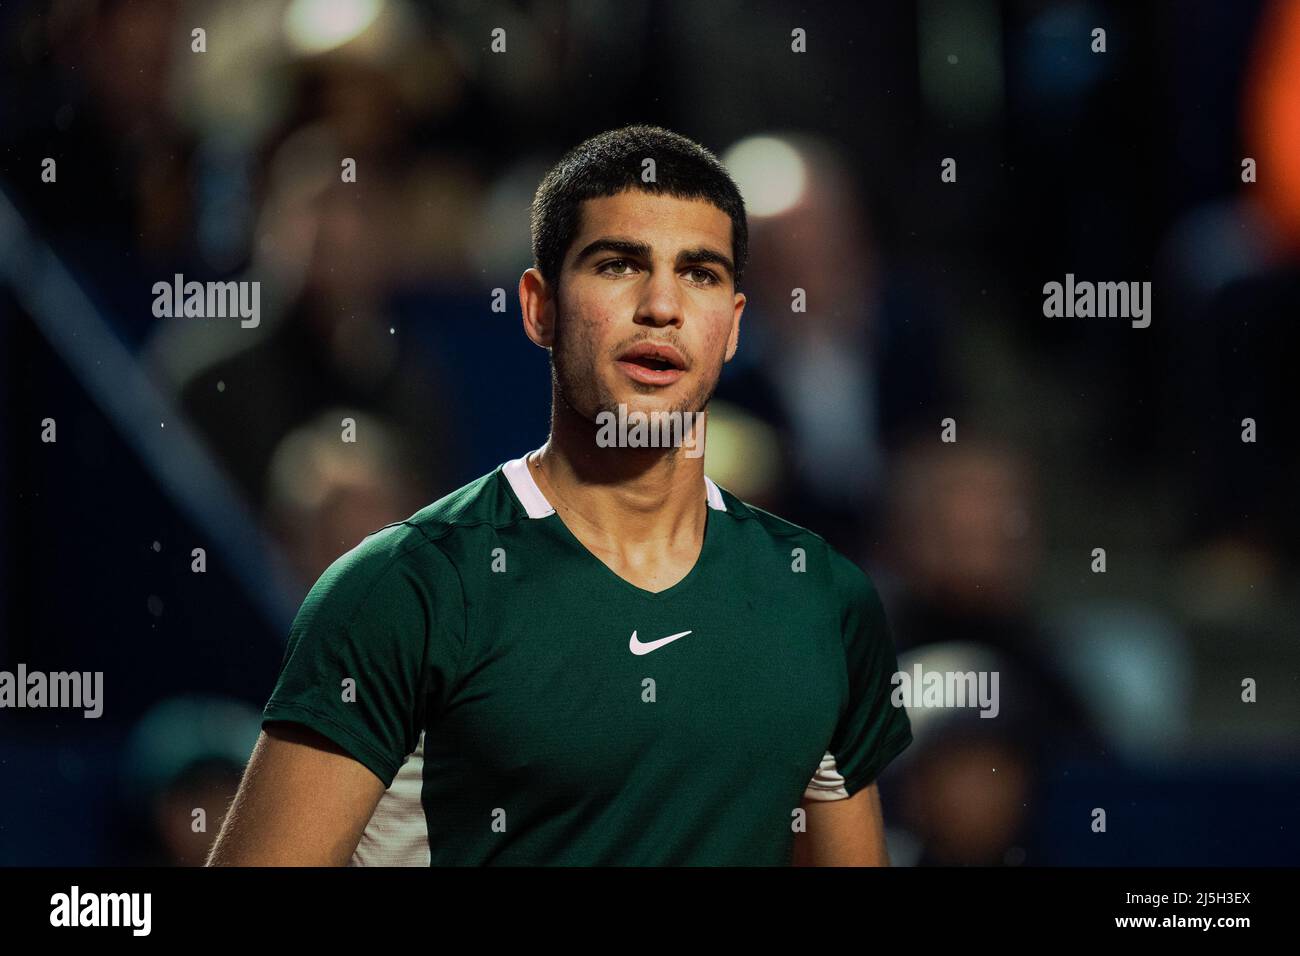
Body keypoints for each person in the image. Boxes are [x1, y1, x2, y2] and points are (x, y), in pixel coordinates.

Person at [207, 125, 912, 866]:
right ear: (539, 307)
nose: (662, 306)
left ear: (734, 327)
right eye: (618, 265)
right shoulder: (398, 593)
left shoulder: (824, 603)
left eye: (699, 273)